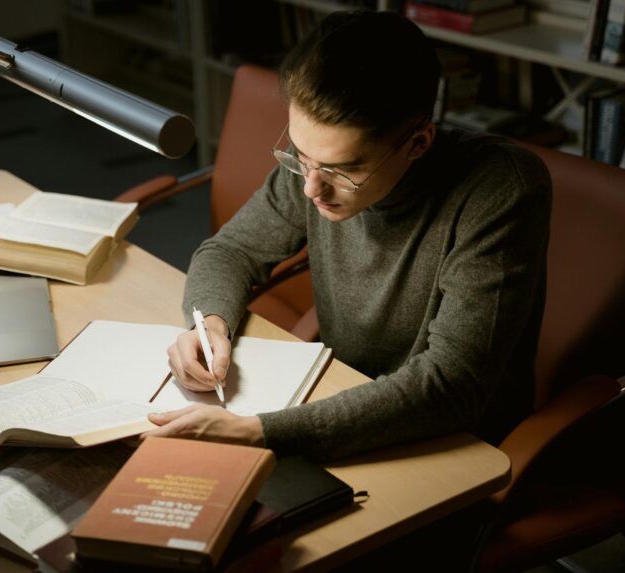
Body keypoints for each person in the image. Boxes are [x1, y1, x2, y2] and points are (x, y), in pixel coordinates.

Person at [142, 10, 551, 463]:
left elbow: (452, 387)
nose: (310, 188)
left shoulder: (499, 189)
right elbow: (230, 249)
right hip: (335, 396)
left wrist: (261, 432)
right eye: (300, 154)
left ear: (419, 143)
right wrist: (210, 322)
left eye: (342, 170)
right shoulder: (315, 166)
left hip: (449, 445)